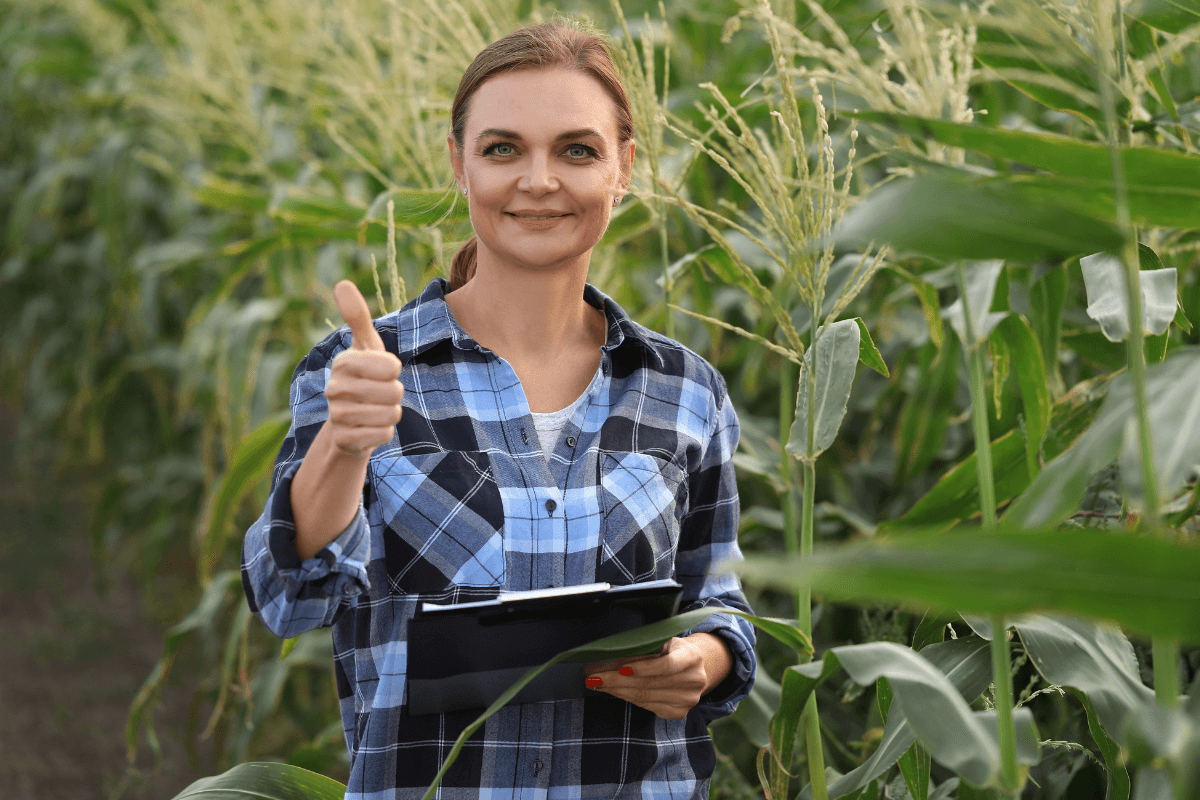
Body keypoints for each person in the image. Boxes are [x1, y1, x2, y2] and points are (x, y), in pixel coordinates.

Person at [241, 18, 757, 799]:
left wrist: (704, 660)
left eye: (577, 150)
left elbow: (718, 599)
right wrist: (346, 444)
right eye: (503, 148)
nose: (539, 180)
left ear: (624, 169)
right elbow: (286, 598)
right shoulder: (365, 371)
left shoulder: (684, 390)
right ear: (459, 163)